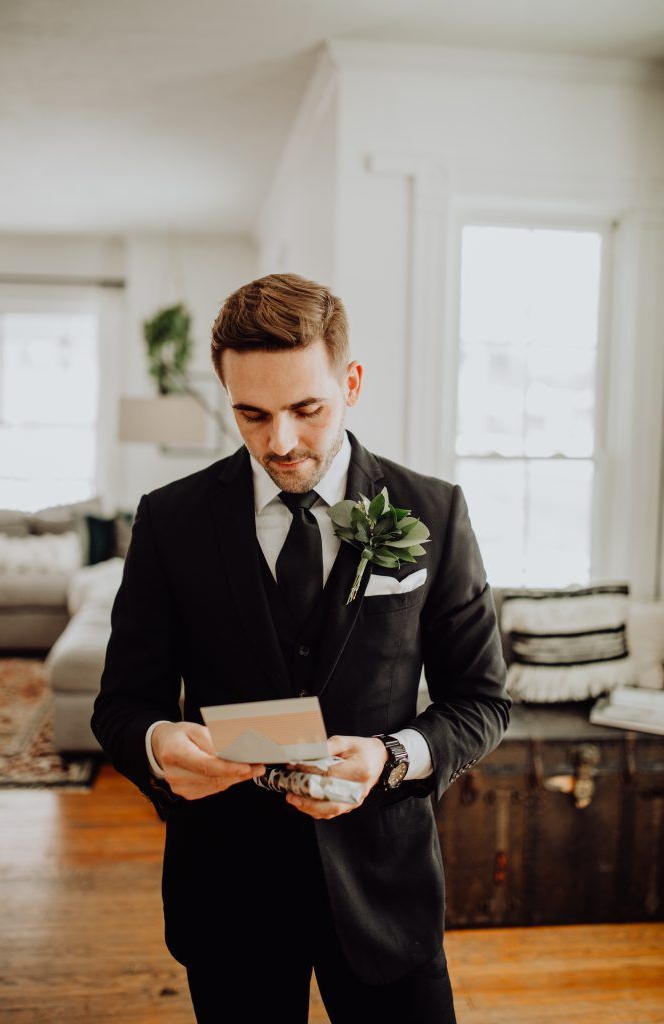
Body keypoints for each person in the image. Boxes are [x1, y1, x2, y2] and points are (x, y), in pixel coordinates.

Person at [91, 272, 511, 1024]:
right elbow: (122, 705)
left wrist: (389, 757)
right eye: (250, 415)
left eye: (305, 409)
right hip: (227, 887)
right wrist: (160, 748)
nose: (279, 443)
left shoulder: (434, 512)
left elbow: (479, 701)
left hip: (385, 886)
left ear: (350, 381)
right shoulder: (170, 521)